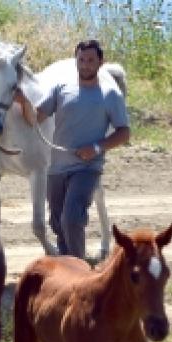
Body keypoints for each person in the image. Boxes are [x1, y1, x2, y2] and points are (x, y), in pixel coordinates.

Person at [13, 39, 130, 259]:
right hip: (56, 168)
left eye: (90, 60)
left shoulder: (110, 94)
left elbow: (124, 132)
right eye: (81, 60)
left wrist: (96, 148)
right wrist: (22, 102)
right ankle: (68, 266)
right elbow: (35, 119)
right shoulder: (61, 88)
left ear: (100, 62)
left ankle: (80, 271)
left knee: (72, 218)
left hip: (87, 167)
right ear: (76, 60)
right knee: (57, 223)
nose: (85, 65)